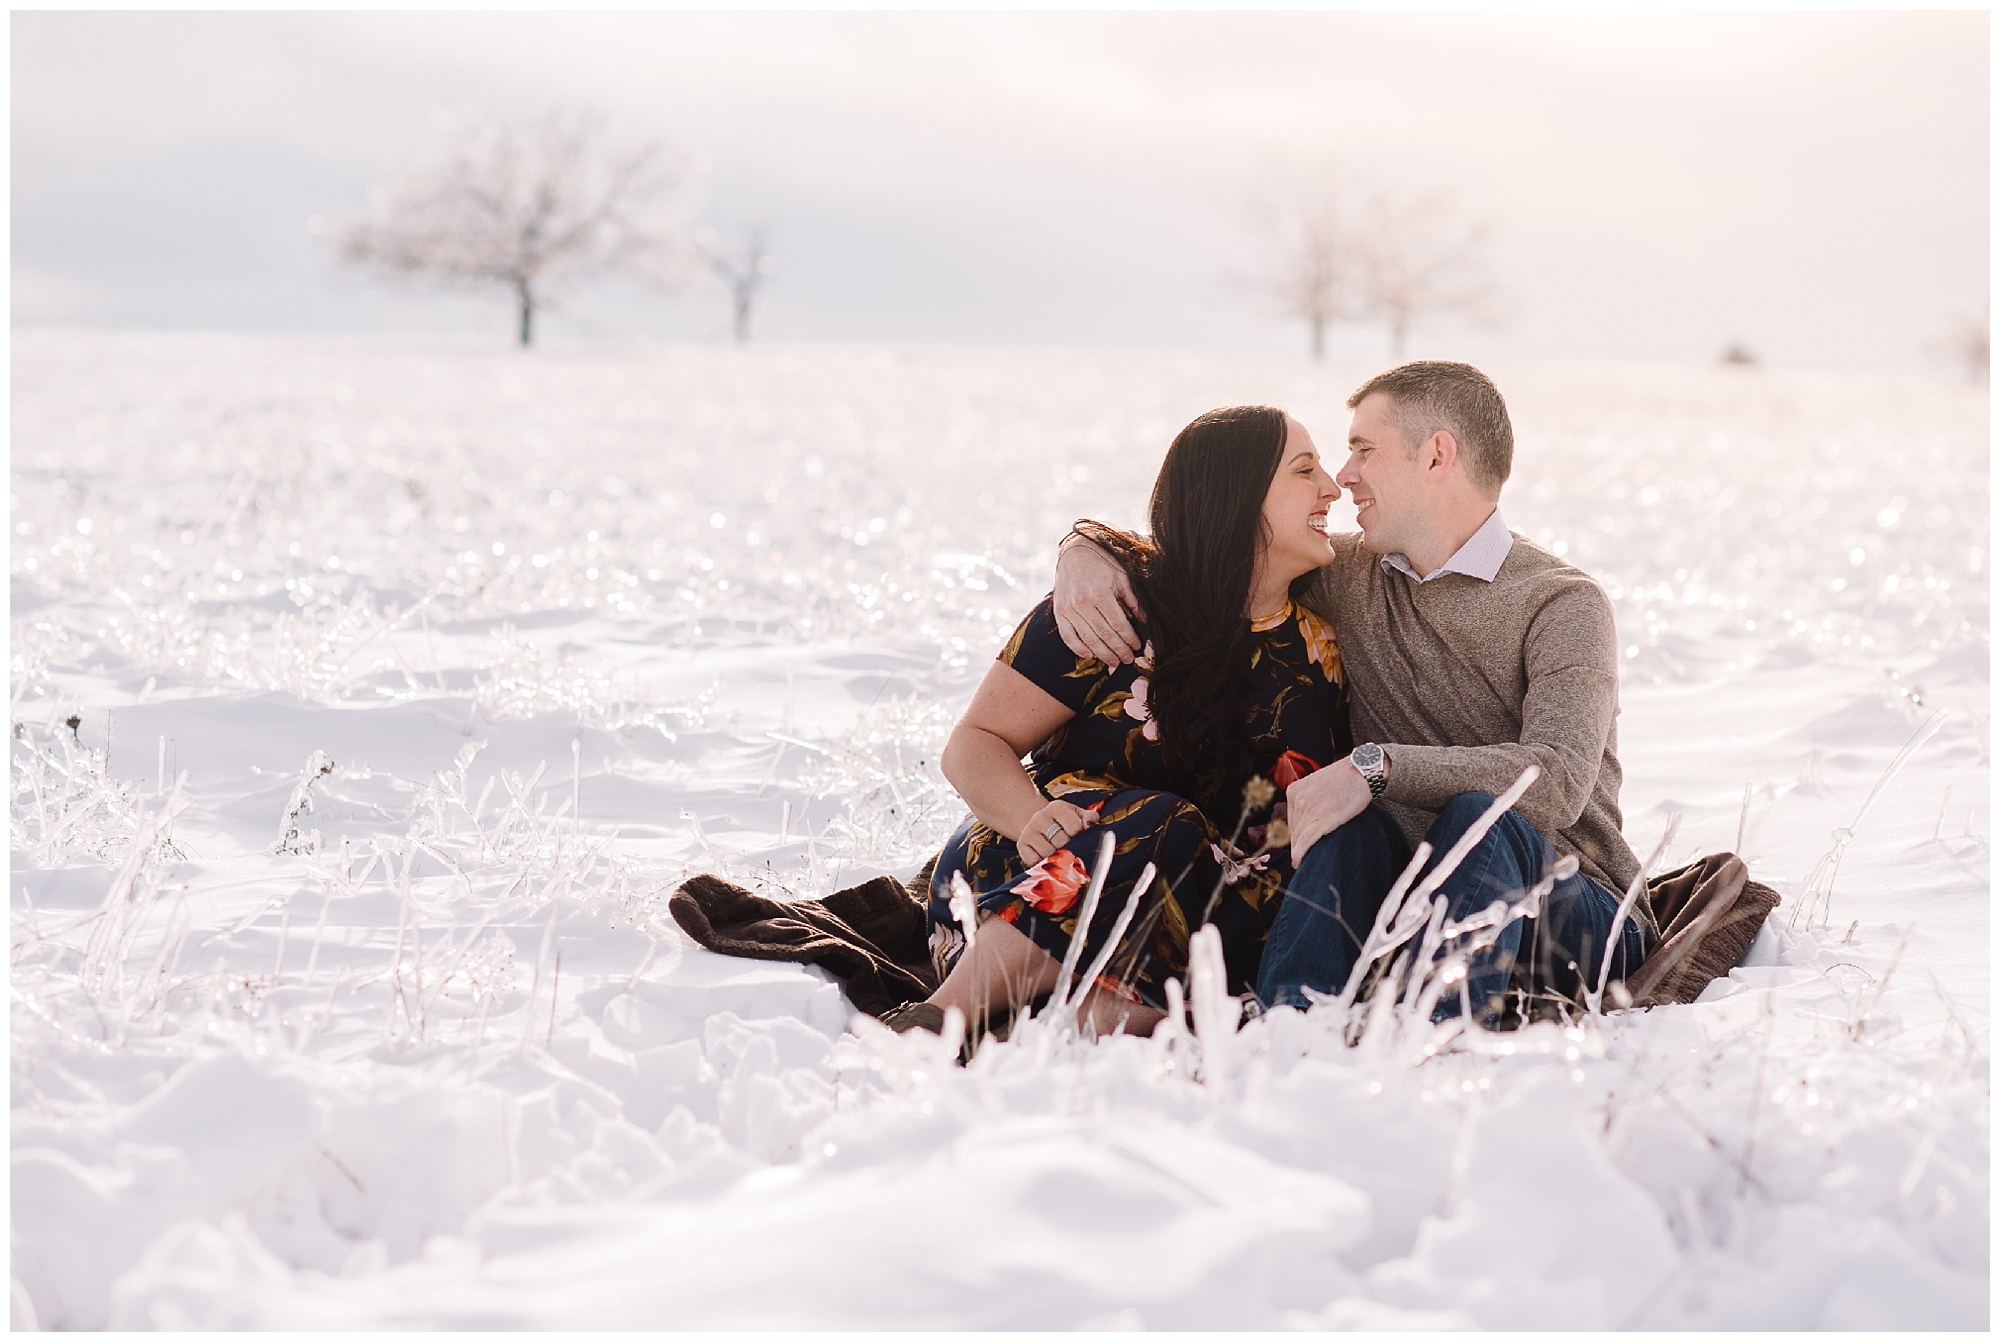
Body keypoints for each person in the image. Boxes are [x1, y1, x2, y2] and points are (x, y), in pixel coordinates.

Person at [1054, 361, 1651, 1027]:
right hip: (1407, 895)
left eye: (1364, 449)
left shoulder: (1563, 602)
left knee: (1476, 818)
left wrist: (1376, 768)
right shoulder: (1350, 573)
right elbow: (1225, 548)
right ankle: (1291, 1031)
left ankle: (1433, 1044)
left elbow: (1559, 780)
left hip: (1577, 911)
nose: (1343, 476)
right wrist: (1085, 547)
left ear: (1437, 455)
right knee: (1353, 824)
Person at [888, 405, 1352, 1043]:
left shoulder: (1324, 649)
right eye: (1306, 471)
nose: (1333, 487)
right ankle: (942, 1018)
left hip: (1188, 921)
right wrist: (1027, 815)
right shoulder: (1110, 609)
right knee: (1162, 823)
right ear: (1237, 496)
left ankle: (1037, 1033)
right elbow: (974, 744)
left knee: (1255, 925)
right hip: (1036, 871)